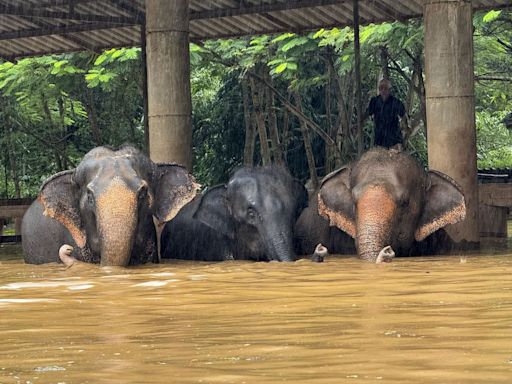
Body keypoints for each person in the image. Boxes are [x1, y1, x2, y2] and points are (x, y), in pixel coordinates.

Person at [365, 78, 407, 149]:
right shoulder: (374, 101)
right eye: (381, 88)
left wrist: (404, 131)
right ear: (379, 89)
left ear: (390, 90)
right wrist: (357, 124)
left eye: (386, 88)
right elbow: (367, 114)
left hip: (394, 141)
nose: (383, 90)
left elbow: (405, 118)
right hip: (380, 140)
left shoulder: (396, 103)